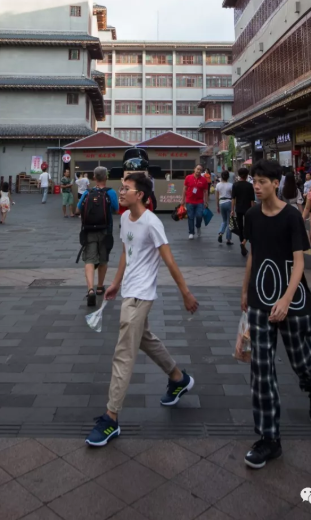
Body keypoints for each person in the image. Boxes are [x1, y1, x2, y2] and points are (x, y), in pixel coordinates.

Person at [86, 172, 199, 447]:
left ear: (141, 195)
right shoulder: (125, 218)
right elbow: (127, 252)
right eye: (121, 187)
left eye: (126, 189)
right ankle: (178, 377)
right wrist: (115, 283)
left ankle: (111, 418)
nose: (120, 192)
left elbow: (169, 261)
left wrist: (185, 293)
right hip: (128, 291)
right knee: (145, 339)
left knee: (123, 353)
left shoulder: (152, 222)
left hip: (141, 295)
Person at [241, 159, 311, 470]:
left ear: (276, 183)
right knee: (261, 371)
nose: (257, 185)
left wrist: (286, 300)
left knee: (302, 361)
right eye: (255, 180)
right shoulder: (250, 215)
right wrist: (244, 292)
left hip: (293, 300)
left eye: (262, 180)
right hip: (261, 300)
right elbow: (254, 254)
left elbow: (300, 262)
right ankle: (269, 439)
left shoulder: (291, 216)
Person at [77, 166, 119, 307]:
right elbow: (116, 209)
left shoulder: (88, 193)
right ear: (106, 178)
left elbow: (78, 208)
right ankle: (100, 286)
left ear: (94, 178)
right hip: (106, 230)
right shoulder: (111, 192)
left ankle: (90, 289)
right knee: (103, 258)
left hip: (89, 230)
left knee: (89, 259)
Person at [231, 166, 255, 257]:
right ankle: (246, 240)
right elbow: (252, 200)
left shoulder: (235, 185)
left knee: (240, 226)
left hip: (239, 208)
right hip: (248, 208)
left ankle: (242, 241)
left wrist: (232, 210)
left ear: (239, 175)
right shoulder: (250, 186)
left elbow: (233, 198)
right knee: (248, 225)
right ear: (247, 175)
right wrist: (253, 209)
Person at [181, 164, 209, 239]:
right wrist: (182, 199)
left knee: (199, 216)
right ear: (194, 169)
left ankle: (198, 227)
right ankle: (191, 232)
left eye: (200, 170)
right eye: (197, 169)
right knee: (190, 217)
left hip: (199, 201)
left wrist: (206, 201)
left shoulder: (204, 180)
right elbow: (184, 189)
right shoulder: (188, 177)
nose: (198, 171)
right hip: (189, 201)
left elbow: (205, 191)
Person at [216, 170, 234, 245]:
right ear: (228, 177)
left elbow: (217, 197)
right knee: (230, 221)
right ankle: (228, 239)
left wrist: (217, 206)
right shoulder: (231, 185)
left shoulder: (218, 185)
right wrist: (233, 208)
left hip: (221, 203)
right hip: (229, 202)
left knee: (224, 221)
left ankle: (221, 232)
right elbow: (233, 197)